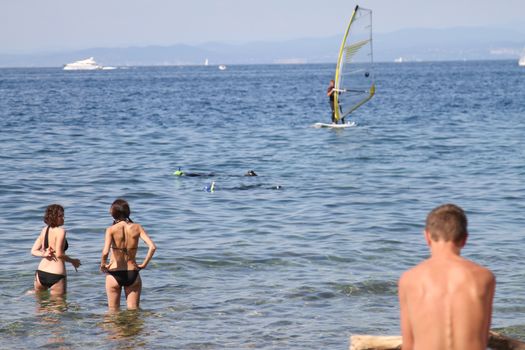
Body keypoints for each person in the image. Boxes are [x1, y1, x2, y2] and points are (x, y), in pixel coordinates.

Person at [398, 204, 495, 350]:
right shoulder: (484, 277)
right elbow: (482, 337)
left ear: (427, 236)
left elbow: (409, 344)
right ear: (464, 239)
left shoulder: (409, 279)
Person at [100, 199, 156, 311]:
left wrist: (103, 264)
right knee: (133, 312)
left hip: (114, 272)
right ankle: (132, 329)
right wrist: (144, 264)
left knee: (113, 313)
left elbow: (105, 252)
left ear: (113, 213)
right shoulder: (137, 227)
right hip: (133, 274)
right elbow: (152, 247)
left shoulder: (111, 229)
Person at [31, 204, 81, 296]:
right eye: (60, 216)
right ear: (53, 217)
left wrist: (44, 254)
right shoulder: (61, 231)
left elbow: (33, 251)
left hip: (41, 273)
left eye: (63, 216)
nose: (63, 218)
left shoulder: (44, 230)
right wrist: (73, 261)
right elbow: (59, 254)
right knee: (59, 307)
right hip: (56, 274)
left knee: (40, 307)